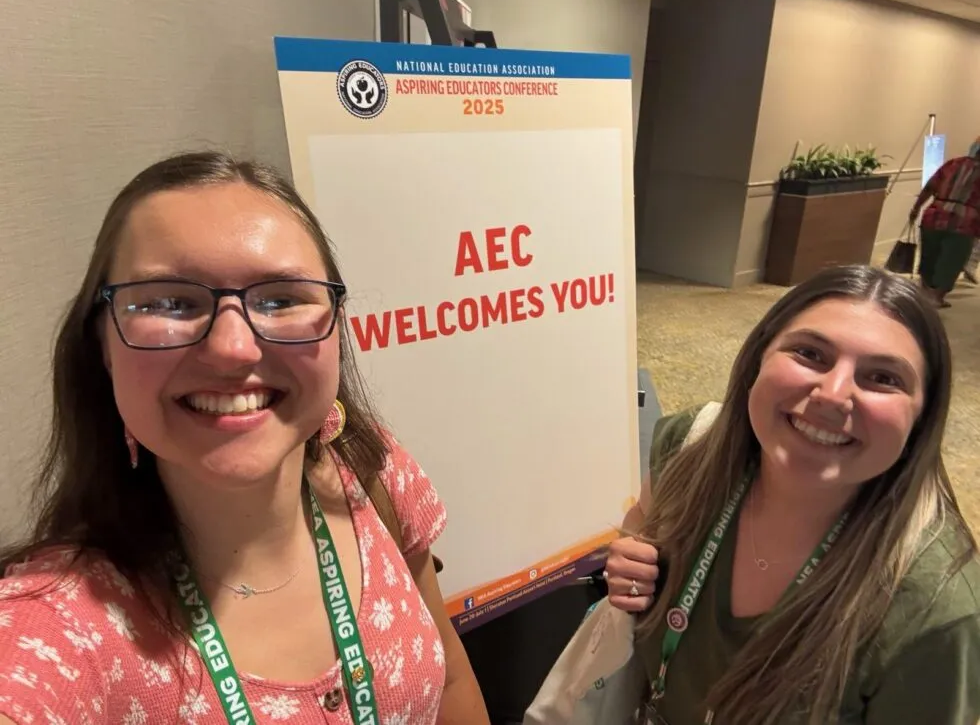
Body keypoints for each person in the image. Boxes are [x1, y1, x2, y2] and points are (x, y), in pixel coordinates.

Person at [0, 151, 491, 724]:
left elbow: (451, 676)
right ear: (103, 348)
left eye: (281, 299)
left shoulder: (372, 470)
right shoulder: (53, 632)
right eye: (167, 302)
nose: (233, 349)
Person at [604, 265, 980, 724]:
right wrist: (632, 555)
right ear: (759, 358)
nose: (834, 394)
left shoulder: (935, 615)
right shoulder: (692, 449)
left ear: (921, 419)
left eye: (883, 378)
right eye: (810, 353)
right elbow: (642, 520)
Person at [909, 137, 980, 307]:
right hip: (965, 222)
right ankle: (936, 296)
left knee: (929, 254)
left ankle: (925, 292)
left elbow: (929, 187)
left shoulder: (953, 163)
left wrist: (916, 208)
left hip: (935, 216)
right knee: (953, 259)